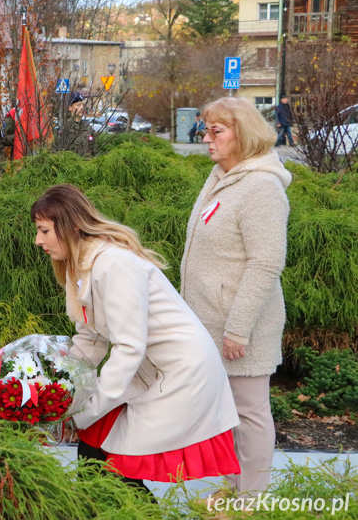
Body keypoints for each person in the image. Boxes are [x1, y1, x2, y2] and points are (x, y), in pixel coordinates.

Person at [32, 184, 240, 490]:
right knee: (93, 452)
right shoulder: (83, 266)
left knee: (114, 467)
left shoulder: (114, 264)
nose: (38, 241)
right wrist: (55, 388)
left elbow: (129, 347)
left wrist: (87, 407)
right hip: (151, 369)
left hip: (181, 372)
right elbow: (90, 339)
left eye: (44, 230)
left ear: (72, 225)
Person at [181, 97, 292, 498]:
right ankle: (234, 488)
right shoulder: (222, 177)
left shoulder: (261, 187)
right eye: (205, 130)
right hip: (211, 321)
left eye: (216, 131)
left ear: (241, 135)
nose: (206, 138)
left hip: (241, 326)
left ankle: (253, 500)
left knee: (250, 413)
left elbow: (265, 264)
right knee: (228, 414)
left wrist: (238, 330)